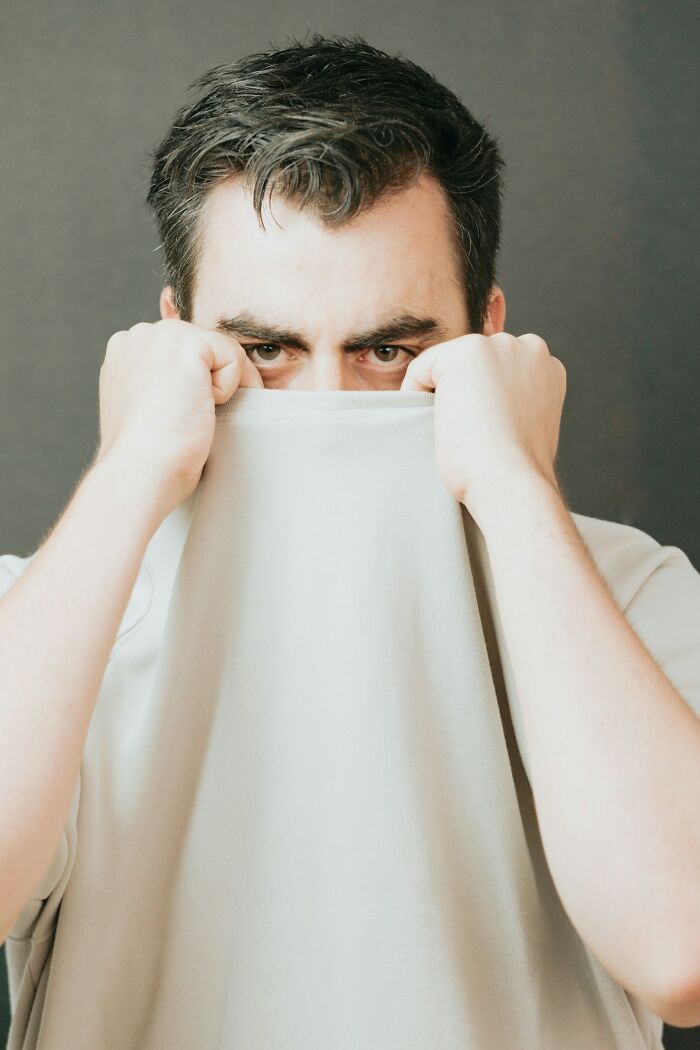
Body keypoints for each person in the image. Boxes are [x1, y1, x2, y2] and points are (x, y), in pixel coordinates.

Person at [1, 30, 699, 1048]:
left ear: (487, 338)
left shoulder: (630, 595)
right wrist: (129, 473)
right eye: (264, 350)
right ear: (173, 338)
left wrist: (512, 482)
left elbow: (684, 951)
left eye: (387, 350)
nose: (325, 402)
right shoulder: (54, 608)